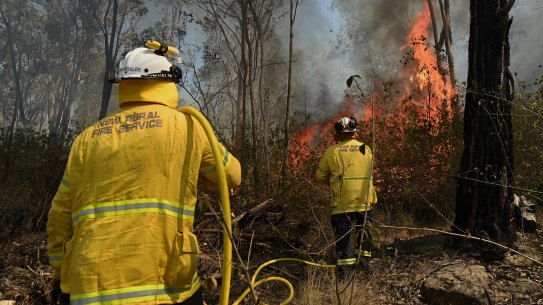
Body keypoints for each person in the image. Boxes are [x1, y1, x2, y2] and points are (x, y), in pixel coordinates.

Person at [47, 41, 241, 305]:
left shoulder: (86, 140)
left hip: (89, 289)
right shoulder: (188, 128)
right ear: (168, 83)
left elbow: (59, 216)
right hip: (165, 288)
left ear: (124, 85)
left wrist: (60, 274)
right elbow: (232, 176)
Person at [315, 116, 377, 279]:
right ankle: (364, 267)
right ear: (354, 131)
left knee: (344, 238)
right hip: (364, 201)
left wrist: (335, 182)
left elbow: (320, 176)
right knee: (364, 235)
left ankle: (345, 275)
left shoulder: (332, 151)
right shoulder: (365, 148)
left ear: (338, 132)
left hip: (342, 202)